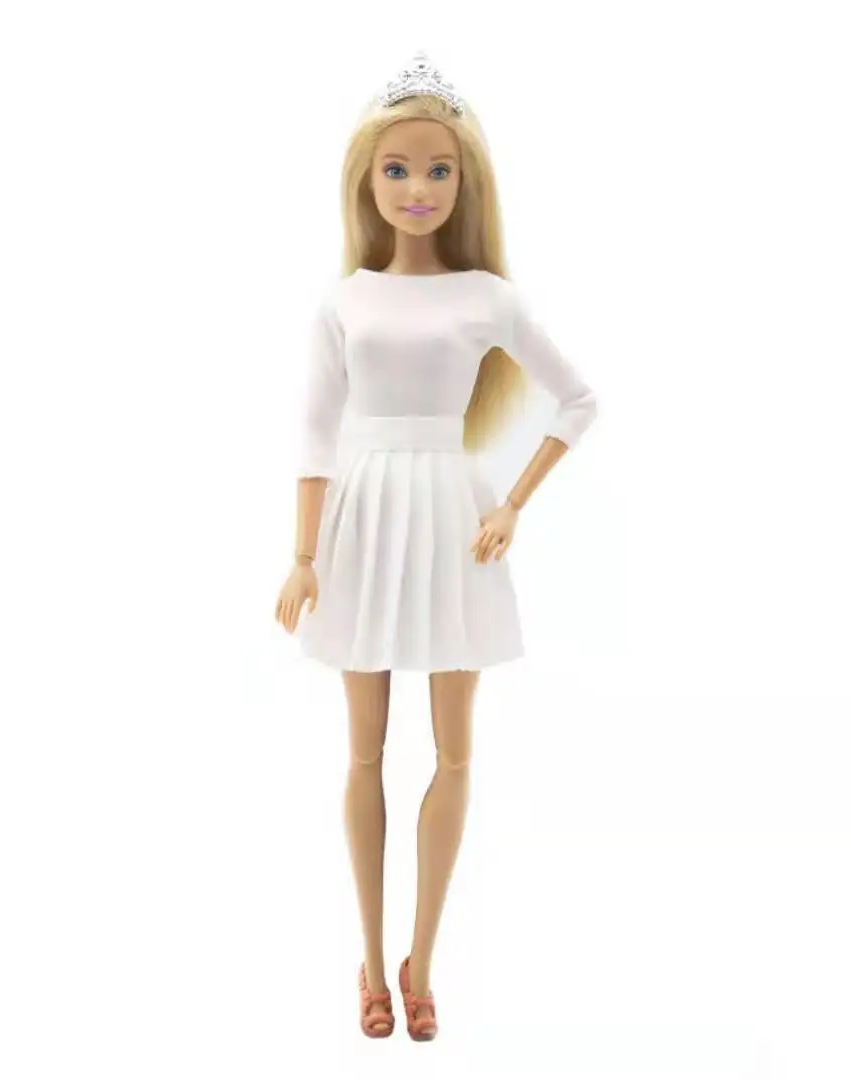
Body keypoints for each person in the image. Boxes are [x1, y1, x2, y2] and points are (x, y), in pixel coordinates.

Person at [273, 51, 598, 1040]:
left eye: (438, 169)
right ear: (367, 182)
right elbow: (315, 438)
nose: (418, 187)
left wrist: (514, 505)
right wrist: (304, 555)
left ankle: (424, 959)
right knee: (364, 751)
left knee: (455, 753)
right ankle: (372, 965)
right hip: (364, 516)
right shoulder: (346, 301)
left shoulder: (487, 296)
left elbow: (578, 400)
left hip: (456, 520)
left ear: (466, 182)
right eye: (398, 169)